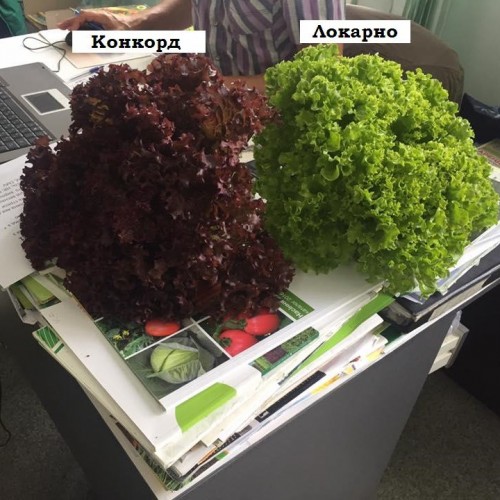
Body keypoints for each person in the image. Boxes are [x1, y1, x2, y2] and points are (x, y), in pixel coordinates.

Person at [59, 0, 345, 92]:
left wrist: (209, 87)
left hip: (269, 132)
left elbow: (321, 74)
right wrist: (129, 24)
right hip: (211, 116)